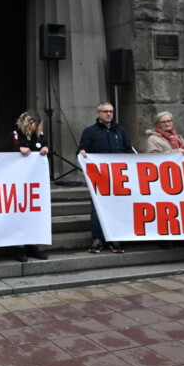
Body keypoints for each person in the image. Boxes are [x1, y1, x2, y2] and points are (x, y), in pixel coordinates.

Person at [79, 102, 132, 254]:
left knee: (117, 206)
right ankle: (97, 238)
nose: (108, 114)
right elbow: (82, 148)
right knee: (97, 208)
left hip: (118, 176)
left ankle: (114, 236)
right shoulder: (89, 131)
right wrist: (82, 152)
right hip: (99, 176)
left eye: (110, 111)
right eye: (105, 112)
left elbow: (128, 150)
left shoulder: (121, 131)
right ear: (98, 114)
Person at [8, 110, 49, 263]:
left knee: (34, 213)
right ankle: (19, 247)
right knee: (19, 213)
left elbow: (44, 147)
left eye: (37, 125)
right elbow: (4, 153)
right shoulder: (15, 135)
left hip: (35, 183)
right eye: (33, 125)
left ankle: (32, 245)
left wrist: (45, 150)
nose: (35, 128)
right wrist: (18, 150)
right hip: (17, 182)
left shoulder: (40, 135)